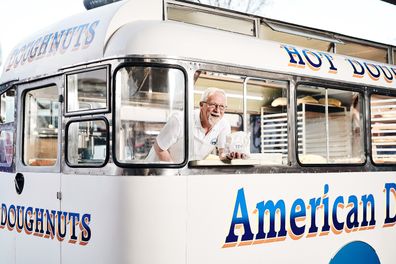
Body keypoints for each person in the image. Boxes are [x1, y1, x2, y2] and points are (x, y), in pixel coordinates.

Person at [146, 87, 243, 163]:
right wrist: (174, 174)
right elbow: (159, 148)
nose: (217, 110)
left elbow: (223, 153)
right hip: (157, 170)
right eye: (213, 105)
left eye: (222, 107)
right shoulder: (180, 120)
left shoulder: (223, 125)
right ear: (201, 105)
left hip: (185, 174)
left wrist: (230, 156)